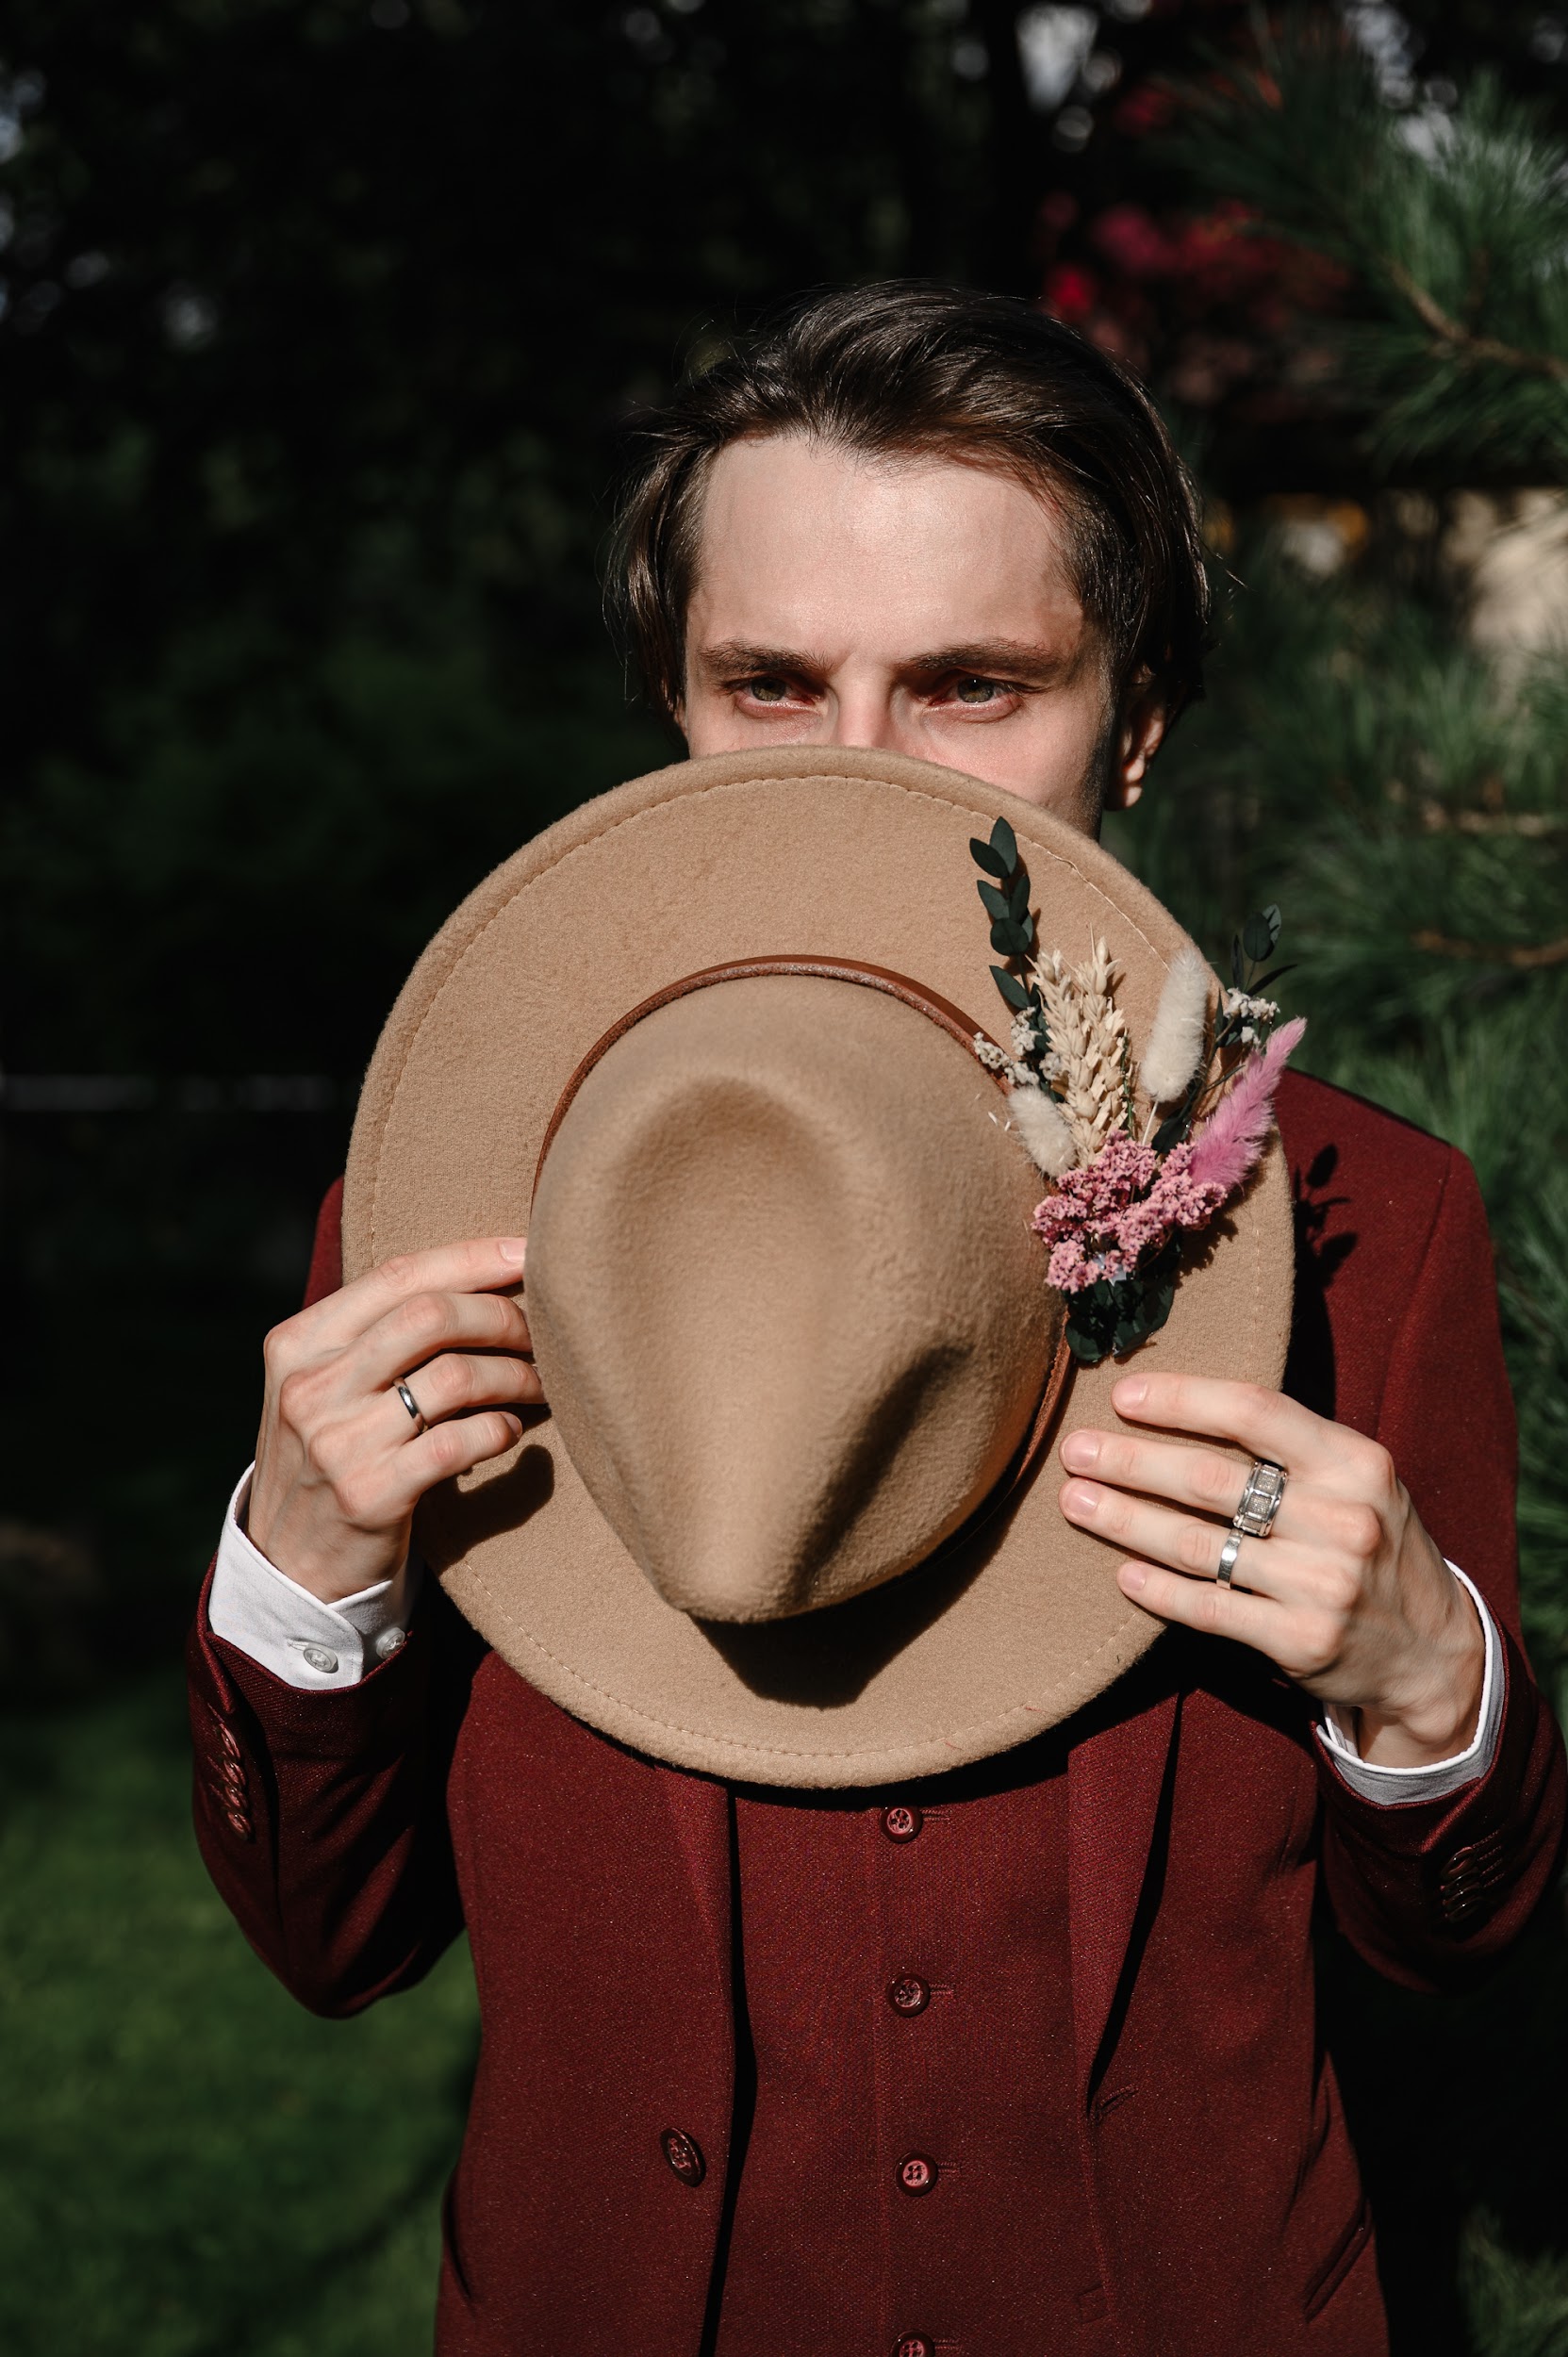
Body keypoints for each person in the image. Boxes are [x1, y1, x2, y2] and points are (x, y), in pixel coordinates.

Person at [189, 284, 1565, 2356]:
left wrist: (1422, 1685)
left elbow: (1456, 1948)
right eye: (769, 682)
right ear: (671, 697)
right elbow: (336, 1942)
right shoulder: (444, 1220)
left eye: (968, 685)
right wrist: (300, 1578)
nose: (857, 772)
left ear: (1134, 721)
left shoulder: (1372, 1219)